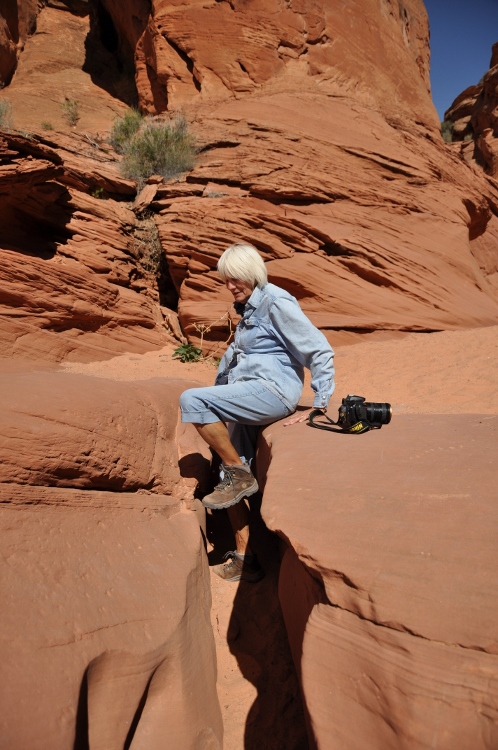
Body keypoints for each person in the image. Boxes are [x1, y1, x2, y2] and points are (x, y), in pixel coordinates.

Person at [180, 242, 335, 582]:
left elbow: (319, 350)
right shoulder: (247, 310)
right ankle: (245, 555)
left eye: (237, 278)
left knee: (192, 400)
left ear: (254, 273)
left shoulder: (276, 301)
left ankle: (240, 472)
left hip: (272, 392)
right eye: (226, 280)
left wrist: (320, 402)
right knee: (225, 477)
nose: (231, 285)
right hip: (248, 396)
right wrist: (222, 394)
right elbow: (234, 359)